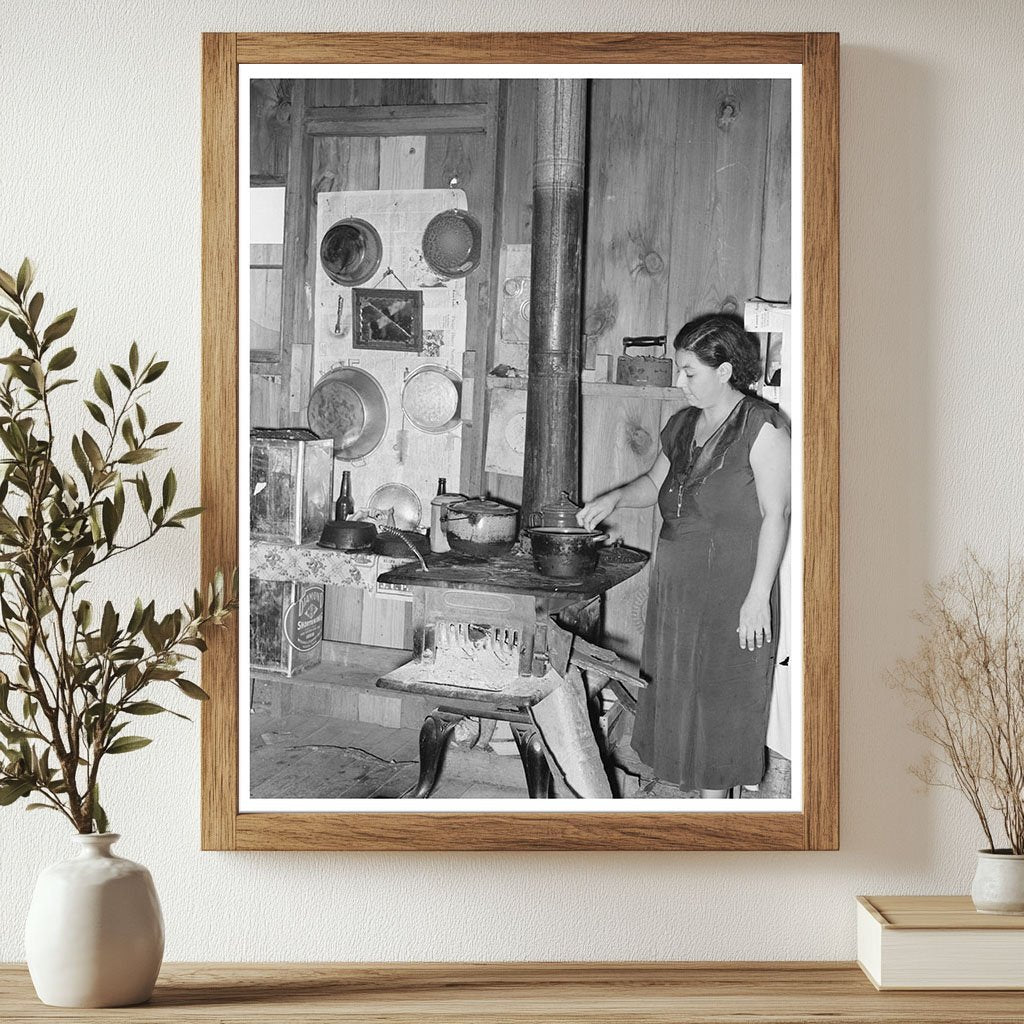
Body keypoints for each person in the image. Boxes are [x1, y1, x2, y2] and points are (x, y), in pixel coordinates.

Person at [577, 313, 791, 798]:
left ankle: (714, 810)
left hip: (733, 585)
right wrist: (612, 498)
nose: (679, 382)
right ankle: (691, 795)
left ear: (725, 372)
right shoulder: (681, 425)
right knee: (678, 690)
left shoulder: (763, 429)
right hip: (677, 582)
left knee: (722, 693)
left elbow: (776, 516)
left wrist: (758, 597)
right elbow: (654, 485)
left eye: (689, 372)